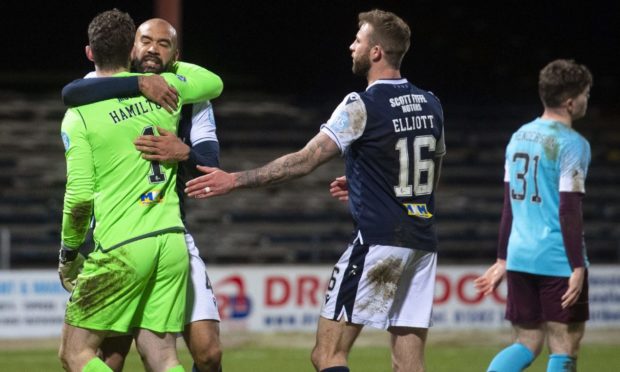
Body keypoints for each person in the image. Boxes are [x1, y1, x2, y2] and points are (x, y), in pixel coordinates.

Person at [185, 9, 445, 372]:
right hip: (422, 243)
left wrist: (235, 179)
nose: (351, 45)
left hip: (379, 241)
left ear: (375, 52)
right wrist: (366, 181)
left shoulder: (361, 105)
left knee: (327, 355)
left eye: (359, 39)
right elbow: (430, 172)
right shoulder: (432, 104)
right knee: (408, 363)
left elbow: (305, 160)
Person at [58, 9, 223, 372]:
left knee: (75, 353)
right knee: (162, 357)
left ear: (90, 53)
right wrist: (140, 83)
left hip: (121, 243)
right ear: (131, 49)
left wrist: (69, 250)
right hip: (169, 241)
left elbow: (80, 195)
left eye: (164, 45)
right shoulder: (168, 96)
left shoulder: (81, 111)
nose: (153, 50)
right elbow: (214, 81)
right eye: (145, 41)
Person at [474, 59, 593, 372]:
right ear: (570, 101)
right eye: (585, 93)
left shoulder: (518, 137)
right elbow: (569, 208)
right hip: (558, 257)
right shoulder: (573, 144)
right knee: (565, 344)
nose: (586, 100)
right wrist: (577, 266)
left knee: (526, 342)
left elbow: (508, 204)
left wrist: (502, 259)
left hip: (519, 255)